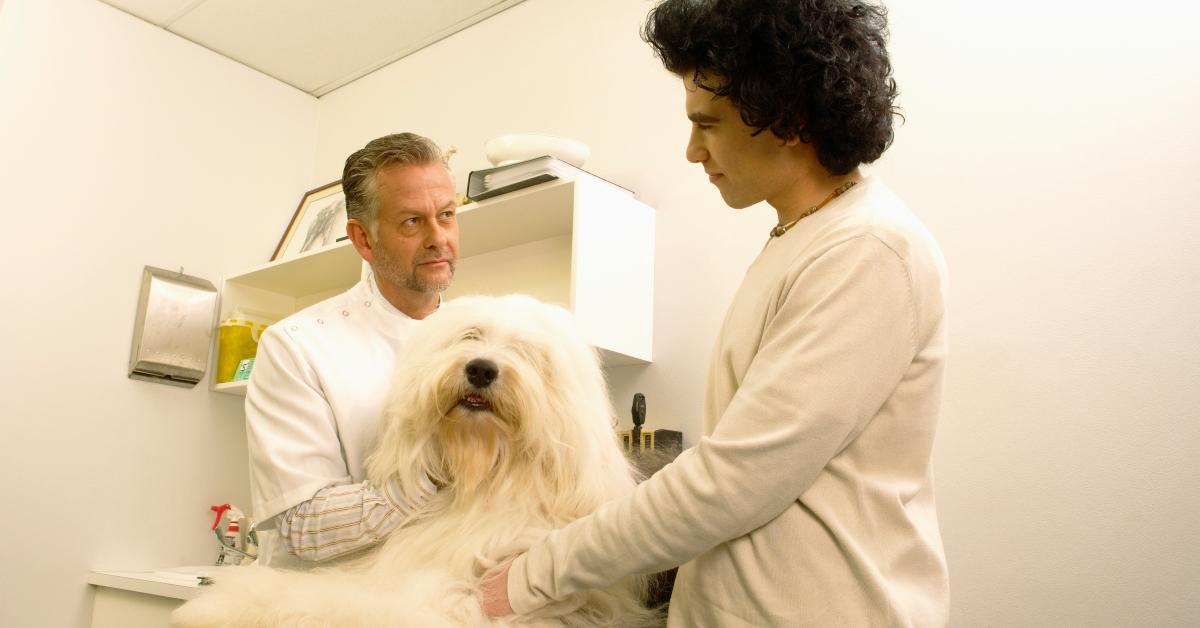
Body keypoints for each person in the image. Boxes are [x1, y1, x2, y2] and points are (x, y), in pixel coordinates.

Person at [480, 0, 950, 625]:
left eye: (708, 124)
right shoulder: (802, 238)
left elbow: (734, 481)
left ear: (784, 117)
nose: (692, 152)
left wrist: (530, 578)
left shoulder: (868, 249)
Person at [246, 132, 460, 569]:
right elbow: (308, 526)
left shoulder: (483, 344)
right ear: (363, 239)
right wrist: (439, 472)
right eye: (412, 222)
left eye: (447, 215)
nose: (439, 237)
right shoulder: (298, 345)